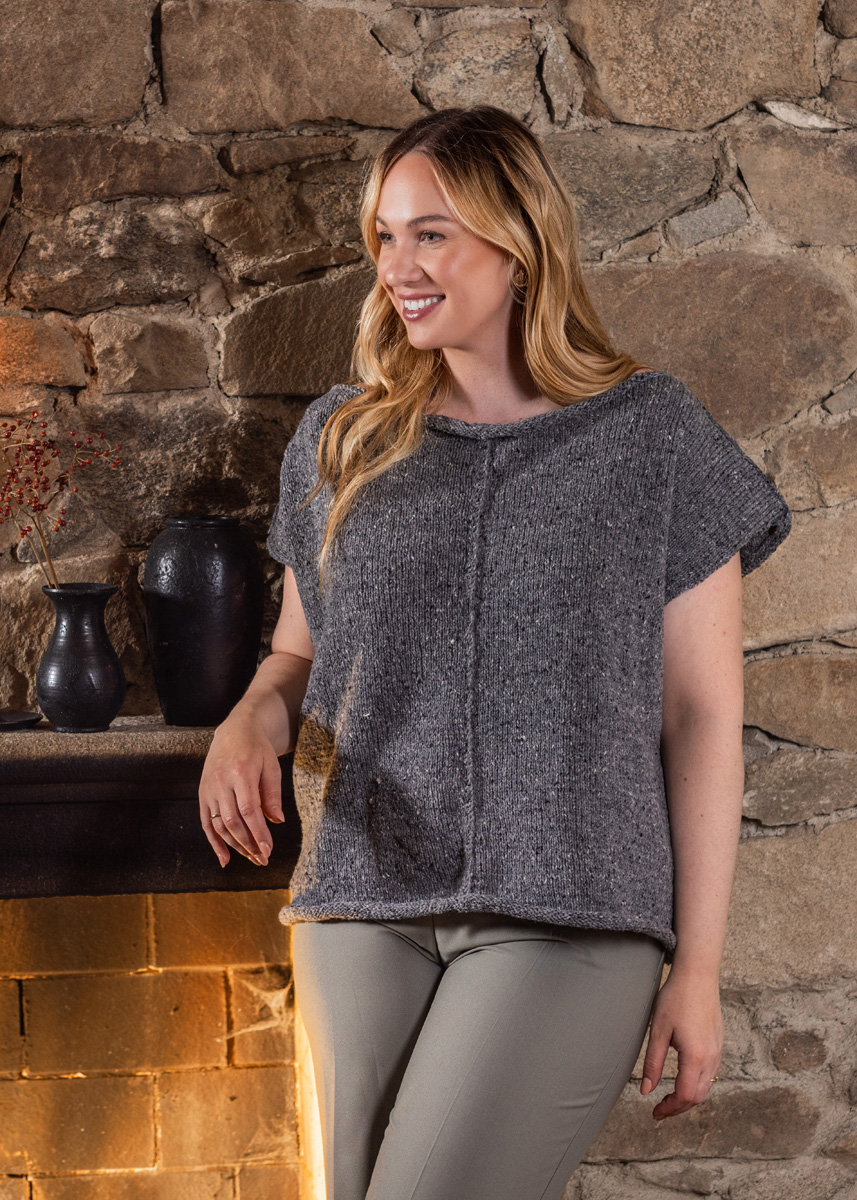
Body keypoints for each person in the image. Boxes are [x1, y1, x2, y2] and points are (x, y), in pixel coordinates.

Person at [198, 105, 792, 1200]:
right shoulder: (340, 438)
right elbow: (297, 659)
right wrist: (246, 721)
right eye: (385, 236)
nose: (397, 267)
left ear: (517, 243)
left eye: (431, 234)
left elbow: (702, 717)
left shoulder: (651, 436)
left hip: (569, 907)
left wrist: (698, 969)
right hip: (359, 901)